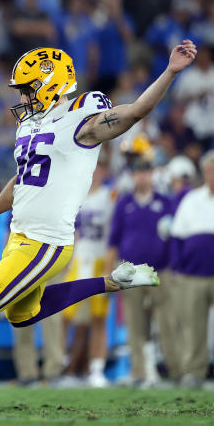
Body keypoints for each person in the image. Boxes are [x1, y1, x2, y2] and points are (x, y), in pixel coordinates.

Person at [0, 40, 196, 412]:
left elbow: (135, 111)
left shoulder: (83, 117)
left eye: (28, 88)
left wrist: (170, 72)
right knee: (22, 315)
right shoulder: (32, 124)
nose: (23, 97)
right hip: (20, 234)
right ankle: (114, 282)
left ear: (49, 84)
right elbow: (21, 182)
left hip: (47, 240)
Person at [105, 157, 177, 386]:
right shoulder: (124, 203)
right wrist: (109, 272)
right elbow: (114, 240)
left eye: (146, 171)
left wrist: (175, 268)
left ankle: (175, 370)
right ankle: (138, 372)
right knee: (135, 323)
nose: (142, 176)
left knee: (166, 322)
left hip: (161, 270)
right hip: (132, 271)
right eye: (138, 172)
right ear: (133, 175)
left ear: (152, 174)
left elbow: (175, 237)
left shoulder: (165, 202)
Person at [61, 156, 114, 387]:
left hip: (100, 259)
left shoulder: (111, 196)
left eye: (99, 169)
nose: (95, 173)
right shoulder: (77, 195)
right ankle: (63, 365)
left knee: (98, 319)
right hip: (79, 259)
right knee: (65, 316)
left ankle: (96, 369)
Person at [171, 151, 214, 387]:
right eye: (209, 170)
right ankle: (195, 372)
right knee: (193, 325)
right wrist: (179, 268)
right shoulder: (192, 200)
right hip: (194, 275)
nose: (212, 175)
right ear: (204, 173)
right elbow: (177, 236)